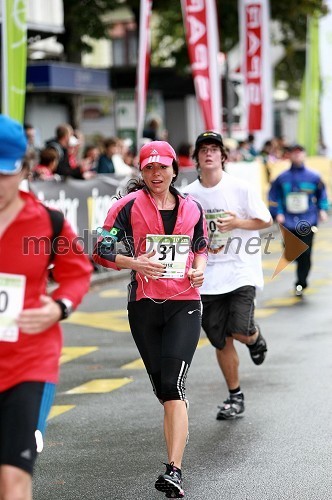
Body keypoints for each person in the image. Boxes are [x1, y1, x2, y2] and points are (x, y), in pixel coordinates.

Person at [93, 140, 207, 498]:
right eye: (149, 168)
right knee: (164, 390)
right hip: (143, 305)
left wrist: (199, 271)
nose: (156, 175)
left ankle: (174, 470)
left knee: (174, 386)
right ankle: (178, 425)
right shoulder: (125, 206)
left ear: (175, 169)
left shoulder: (193, 207)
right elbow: (101, 247)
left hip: (185, 303)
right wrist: (135, 263)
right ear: (141, 173)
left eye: (162, 168)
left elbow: (201, 245)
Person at [0, 114, 92, 499]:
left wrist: (59, 307)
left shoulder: (47, 222)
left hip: (27, 361)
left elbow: (76, 272)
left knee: (14, 474)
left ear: (22, 169)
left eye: (4, 173)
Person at [184, 131, 272, 420]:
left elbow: (265, 219)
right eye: (203, 149)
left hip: (240, 269)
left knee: (240, 329)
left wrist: (237, 222)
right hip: (207, 277)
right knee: (220, 340)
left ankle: (254, 338)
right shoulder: (188, 195)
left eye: (214, 149)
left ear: (223, 156)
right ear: (196, 158)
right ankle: (235, 396)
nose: (209, 153)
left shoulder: (240, 188)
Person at [268, 144, 329, 297]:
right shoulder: (282, 178)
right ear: (289, 156)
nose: (296, 156)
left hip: (308, 220)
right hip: (288, 220)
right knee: (291, 253)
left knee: (306, 252)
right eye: (293, 153)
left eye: (299, 153)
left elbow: (322, 194)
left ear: (304, 155)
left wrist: (322, 209)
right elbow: (274, 196)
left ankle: (301, 282)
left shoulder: (314, 176)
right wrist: (277, 213)